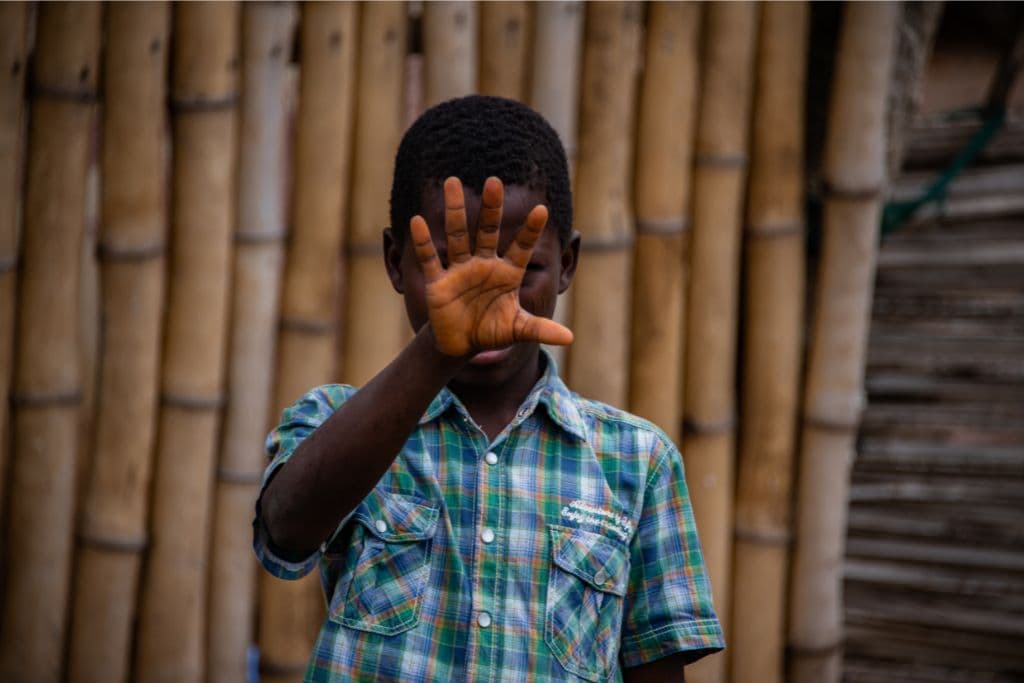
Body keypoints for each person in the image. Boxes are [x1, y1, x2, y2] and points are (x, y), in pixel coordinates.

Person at [254, 95, 723, 682]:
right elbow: (285, 532)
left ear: (569, 263)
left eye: (523, 270)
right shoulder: (339, 423)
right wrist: (437, 349)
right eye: (450, 269)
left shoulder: (638, 462)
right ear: (396, 262)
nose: (489, 298)